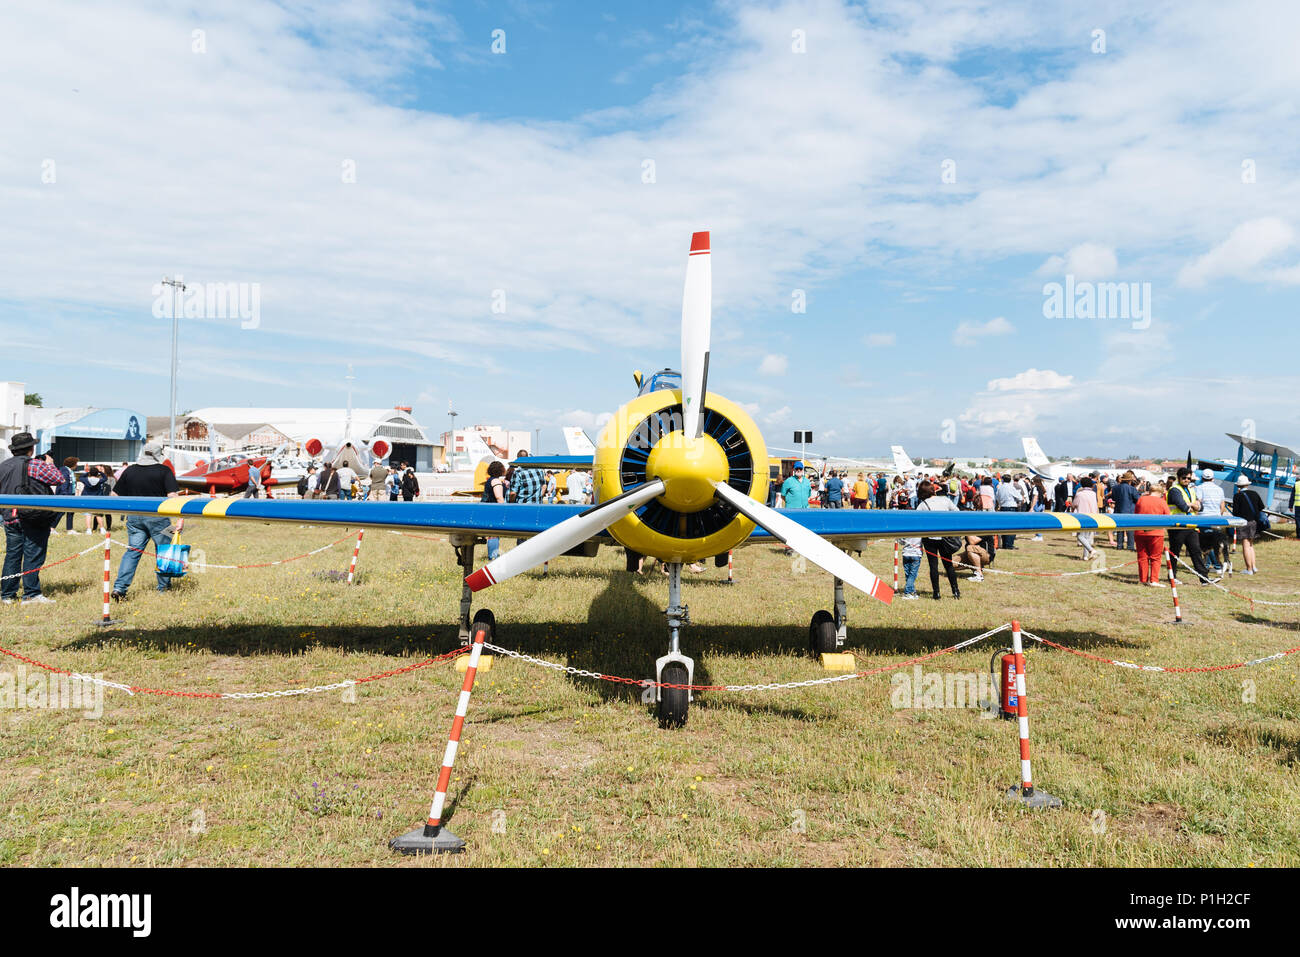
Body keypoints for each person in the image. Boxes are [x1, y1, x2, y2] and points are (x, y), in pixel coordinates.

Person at [0, 433, 64, 605]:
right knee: (33, 554)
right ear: (31, 449)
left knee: (12, 555)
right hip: (32, 516)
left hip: (9, 516)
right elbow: (59, 479)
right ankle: (31, 594)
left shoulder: (3, 466)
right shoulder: (35, 464)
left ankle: (7, 594)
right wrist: (49, 464)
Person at [110, 442, 180, 598]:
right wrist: (179, 520)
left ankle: (120, 588)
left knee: (132, 552)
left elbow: (114, 496)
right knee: (163, 552)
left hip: (134, 518)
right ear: (157, 455)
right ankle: (163, 589)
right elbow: (173, 497)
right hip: (158, 517)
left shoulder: (130, 470)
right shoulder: (164, 470)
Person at [1166, 467, 1215, 584]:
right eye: (1184, 478)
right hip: (1178, 526)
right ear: (1179, 478)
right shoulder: (1174, 490)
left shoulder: (1191, 490)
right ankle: (1172, 577)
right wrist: (1194, 505)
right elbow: (1183, 506)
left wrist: (1193, 505)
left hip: (1191, 525)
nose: (1187, 480)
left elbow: (1201, 507)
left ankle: (1204, 578)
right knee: (1175, 552)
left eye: (1189, 478)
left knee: (1196, 551)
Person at [916, 481, 960, 600]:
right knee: (948, 565)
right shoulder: (945, 500)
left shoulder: (922, 504)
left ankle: (936, 593)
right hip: (945, 536)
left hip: (930, 538)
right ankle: (956, 591)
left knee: (933, 566)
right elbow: (957, 512)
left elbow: (917, 521)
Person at [1134, 482, 1169, 585]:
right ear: (1160, 492)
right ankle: (1154, 580)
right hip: (1156, 532)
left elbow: (1135, 514)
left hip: (1140, 531)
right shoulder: (1162, 502)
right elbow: (1167, 516)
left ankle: (1143, 580)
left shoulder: (1141, 499)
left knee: (1142, 557)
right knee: (1155, 557)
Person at [1230, 475, 1263, 575]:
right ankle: (1254, 566)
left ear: (1238, 486)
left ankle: (1248, 569)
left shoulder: (1237, 496)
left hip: (1244, 522)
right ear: (1247, 484)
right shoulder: (1255, 494)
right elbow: (1261, 507)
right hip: (1254, 521)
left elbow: (1235, 512)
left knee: (1245, 546)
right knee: (1251, 545)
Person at [1196, 469, 1227, 571]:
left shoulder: (1199, 488)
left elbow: (1198, 503)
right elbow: (1222, 505)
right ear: (1213, 479)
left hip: (1203, 518)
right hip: (1216, 518)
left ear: (1202, 478)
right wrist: (1219, 515)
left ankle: (1216, 565)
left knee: (1206, 544)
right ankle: (1209, 564)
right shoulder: (1219, 489)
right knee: (1214, 543)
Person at [481, 460, 507, 560]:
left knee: (492, 534)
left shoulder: (489, 480)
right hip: (495, 510)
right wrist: (505, 509)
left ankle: (492, 555)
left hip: (488, 509)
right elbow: (499, 497)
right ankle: (493, 556)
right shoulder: (496, 481)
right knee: (494, 534)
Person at [1110, 471, 1140, 550]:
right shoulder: (1132, 489)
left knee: (1120, 529)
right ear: (1129, 480)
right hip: (1129, 510)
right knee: (1130, 529)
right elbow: (1138, 499)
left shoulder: (1115, 488)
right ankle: (1130, 546)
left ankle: (1119, 545)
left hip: (1118, 510)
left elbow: (1113, 498)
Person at [1073, 476, 1099, 561]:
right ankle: (1085, 556)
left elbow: (1074, 505)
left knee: (1080, 536)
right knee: (1087, 537)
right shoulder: (1093, 494)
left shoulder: (1079, 494)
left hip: (1082, 517)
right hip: (1092, 516)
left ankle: (1091, 550)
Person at [81, 465, 113, 533]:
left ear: (90, 473)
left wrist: (88, 472)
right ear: (97, 474)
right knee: (98, 514)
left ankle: (89, 529)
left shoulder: (86, 480)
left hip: (87, 499)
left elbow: (81, 477)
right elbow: (105, 478)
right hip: (96, 499)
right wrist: (100, 472)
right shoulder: (99, 481)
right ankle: (102, 528)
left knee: (88, 515)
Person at [994, 472, 1021, 549]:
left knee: (1004, 527)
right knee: (1012, 527)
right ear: (1010, 480)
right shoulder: (1011, 487)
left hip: (1003, 507)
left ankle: (1005, 543)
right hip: (1011, 507)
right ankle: (1009, 545)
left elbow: (997, 498)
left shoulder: (1000, 488)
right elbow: (1020, 497)